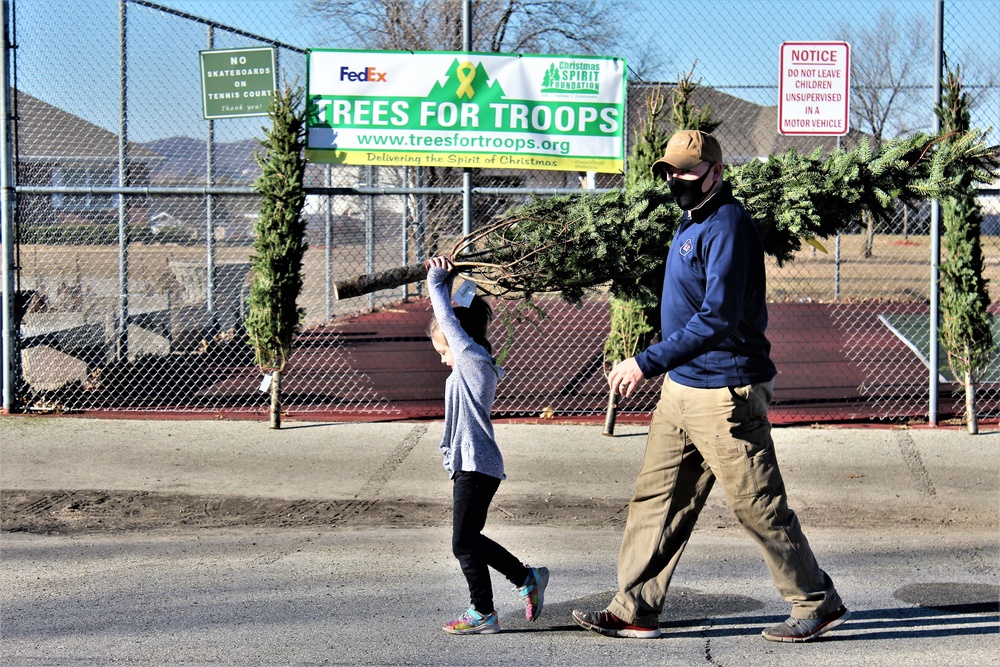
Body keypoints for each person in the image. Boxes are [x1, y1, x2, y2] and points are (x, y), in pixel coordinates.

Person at [571, 130, 849, 643]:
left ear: (715, 172)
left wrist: (645, 362)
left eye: (688, 171)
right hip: (681, 389)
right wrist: (664, 365)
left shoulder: (728, 225)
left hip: (726, 391)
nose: (676, 179)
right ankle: (635, 607)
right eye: (671, 171)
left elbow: (717, 318)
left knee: (757, 505)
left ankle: (816, 600)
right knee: (656, 500)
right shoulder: (692, 217)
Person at [424, 255, 549, 635]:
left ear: (457, 343)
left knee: (462, 543)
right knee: (469, 539)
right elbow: (454, 316)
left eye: (443, 352)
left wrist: (435, 281)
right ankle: (526, 578)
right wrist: (451, 280)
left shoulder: (472, 359)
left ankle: (484, 610)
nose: (445, 360)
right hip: (473, 464)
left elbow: (448, 319)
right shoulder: (474, 359)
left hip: (477, 465)